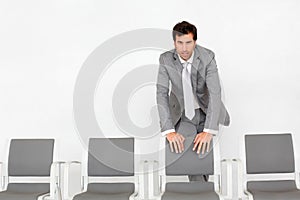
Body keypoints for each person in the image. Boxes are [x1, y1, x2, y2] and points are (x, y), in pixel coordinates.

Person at [156, 21, 230, 181]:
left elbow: (215, 93)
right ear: (174, 42)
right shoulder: (166, 60)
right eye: (180, 43)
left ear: (195, 42)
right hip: (184, 116)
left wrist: (209, 131)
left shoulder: (207, 57)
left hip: (206, 112)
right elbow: (161, 93)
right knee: (193, 158)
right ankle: (202, 192)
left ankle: (200, 191)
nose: (184, 48)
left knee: (204, 160)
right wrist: (168, 130)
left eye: (188, 42)